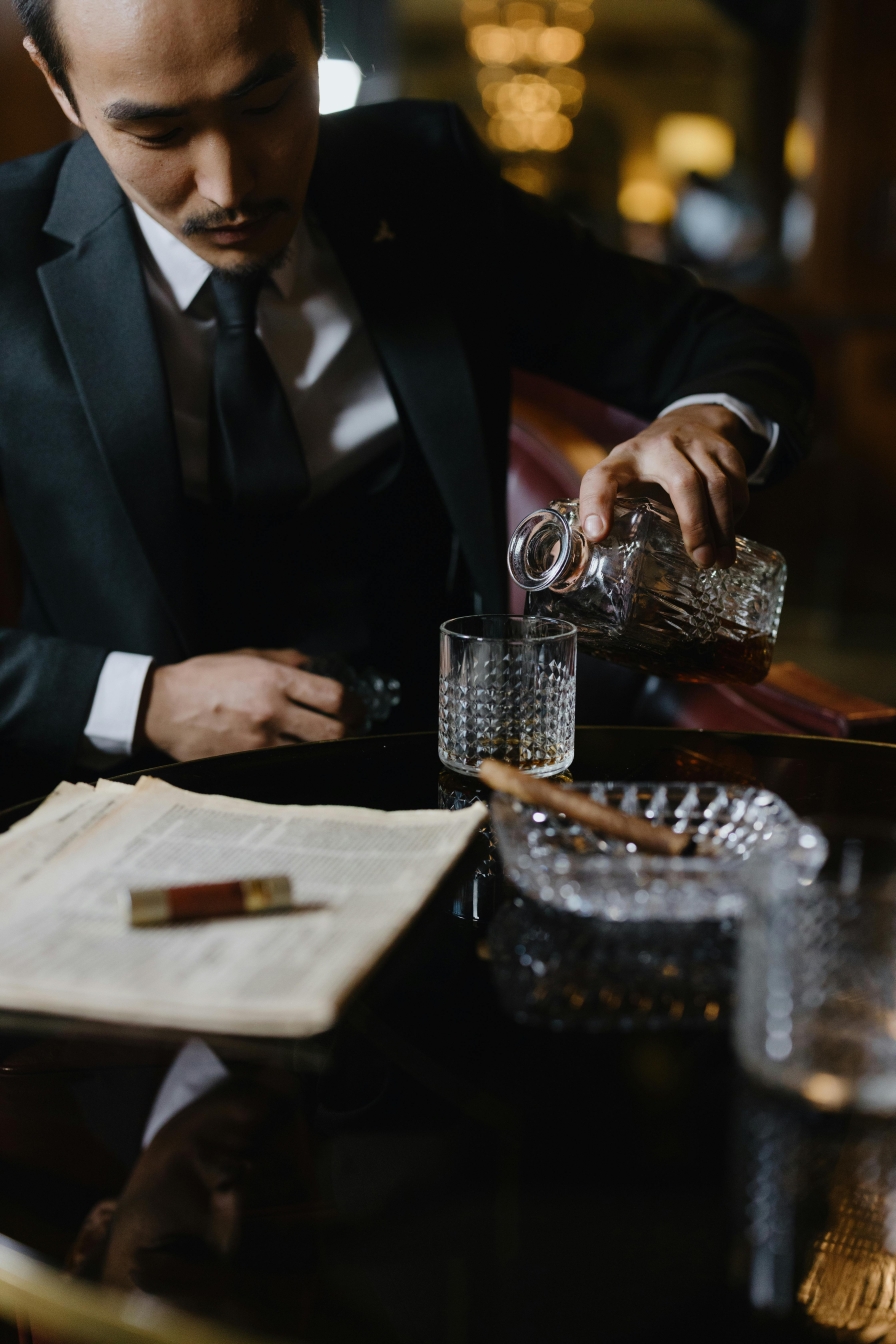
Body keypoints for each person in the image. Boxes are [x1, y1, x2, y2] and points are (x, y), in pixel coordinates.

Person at [0, 0, 813, 775]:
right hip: (128, 812)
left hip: (442, 778)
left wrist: (705, 421)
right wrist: (140, 701)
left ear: (317, 37)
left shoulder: (423, 182)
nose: (227, 185)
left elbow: (733, 343)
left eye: (266, 104)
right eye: (157, 130)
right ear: (57, 83)